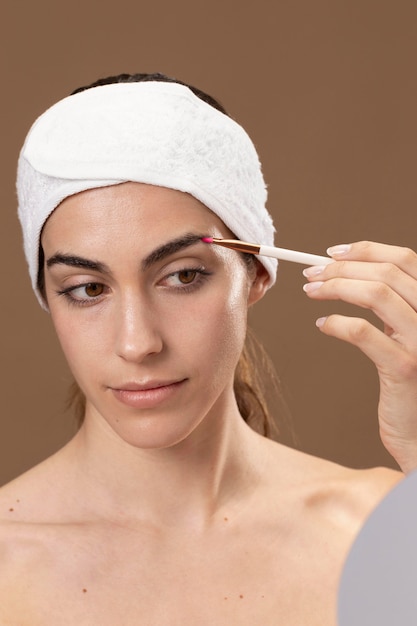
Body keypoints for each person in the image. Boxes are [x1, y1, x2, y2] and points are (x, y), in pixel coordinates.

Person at [0, 72, 415, 625]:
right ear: (49, 296)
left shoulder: (380, 530)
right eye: (87, 289)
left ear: (258, 272)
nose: (137, 343)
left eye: (182, 276)